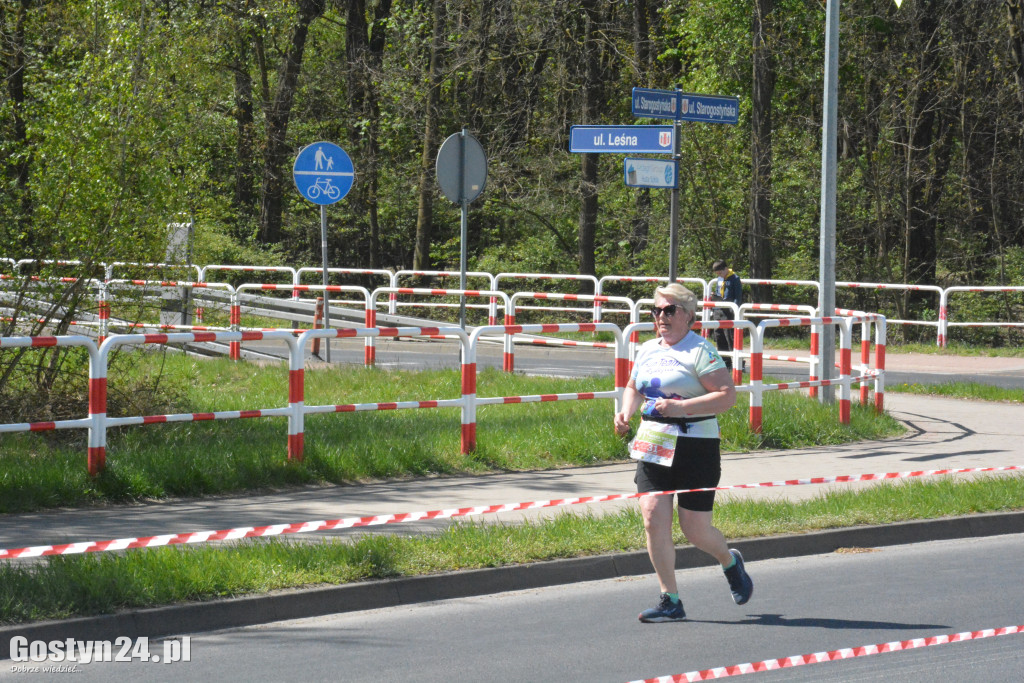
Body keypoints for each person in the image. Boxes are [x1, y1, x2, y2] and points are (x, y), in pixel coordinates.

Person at [614, 283, 753, 622]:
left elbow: (727, 396)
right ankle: (670, 599)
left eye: (669, 310)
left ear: (688, 316)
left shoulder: (700, 351)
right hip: (653, 444)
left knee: (694, 530)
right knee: (651, 516)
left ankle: (730, 561)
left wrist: (682, 408)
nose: (661, 317)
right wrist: (625, 413)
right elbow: (633, 386)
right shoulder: (647, 349)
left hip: (697, 446)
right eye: (656, 311)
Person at [711, 259, 743, 370]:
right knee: (719, 336)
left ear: (725, 269)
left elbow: (738, 297)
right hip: (718, 310)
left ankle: (738, 363)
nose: (719, 275)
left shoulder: (735, 279)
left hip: (729, 311)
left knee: (730, 337)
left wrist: (734, 309)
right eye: (717, 274)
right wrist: (714, 297)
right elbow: (718, 292)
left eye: (720, 273)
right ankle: (725, 362)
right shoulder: (720, 279)